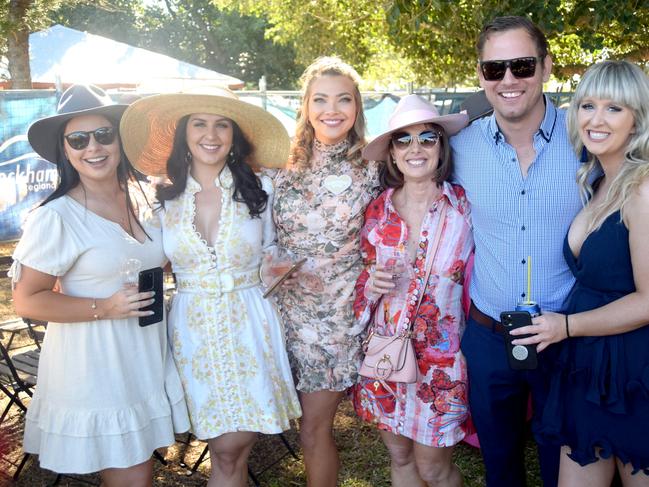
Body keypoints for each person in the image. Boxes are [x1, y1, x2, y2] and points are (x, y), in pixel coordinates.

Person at [119, 88, 302, 487]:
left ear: (235, 136)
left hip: (250, 323)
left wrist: (280, 265)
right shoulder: (161, 199)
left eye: (222, 125)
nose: (211, 134)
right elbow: (139, 259)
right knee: (221, 447)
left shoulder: (261, 189)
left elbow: (274, 248)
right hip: (193, 330)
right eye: (199, 124)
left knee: (233, 445)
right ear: (184, 133)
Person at [9, 84, 190, 485]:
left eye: (104, 135)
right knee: (132, 476)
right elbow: (26, 300)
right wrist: (104, 307)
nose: (94, 147)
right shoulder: (57, 216)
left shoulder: (145, 201)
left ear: (121, 141)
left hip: (143, 354)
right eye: (78, 139)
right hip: (96, 367)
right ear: (66, 151)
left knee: (138, 468)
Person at [450, 16, 583, 487]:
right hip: (488, 335)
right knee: (499, 465)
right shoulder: (459, 149)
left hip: (568, 335)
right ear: (480, 75)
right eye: (494, 69)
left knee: (565, 461)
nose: (509, 80)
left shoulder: (586, 140)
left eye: (522, 65)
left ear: (546, 67)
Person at [510, 60, 649, 486]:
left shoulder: (643, 189)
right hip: (587, 363)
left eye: (614, 109)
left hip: (634, 370)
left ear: (638, 119)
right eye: (588, 105)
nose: (596, 119)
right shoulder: (596, 181)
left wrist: (566, 326)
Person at [272, 56, 381, 486]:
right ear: (305, 105)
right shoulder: (280, 163)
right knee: (290, 421)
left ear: (357, 107)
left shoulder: (374, 166)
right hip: (280, 313)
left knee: (313, 428)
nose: (331, 110)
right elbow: (260, 235)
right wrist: (273, 264)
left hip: (336, 322)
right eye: (320, 99)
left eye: (343, 99)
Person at [352, 95, 471, 486]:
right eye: (403, 140)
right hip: (386, 356)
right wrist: (370, 286)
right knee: (400, 457)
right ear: (391, 153)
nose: (415, 148)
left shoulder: (464, 207)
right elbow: (361, 283)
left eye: (427, 137)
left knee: (433, 468)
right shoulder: (377, 210)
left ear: (442, 146)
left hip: (443, 361)